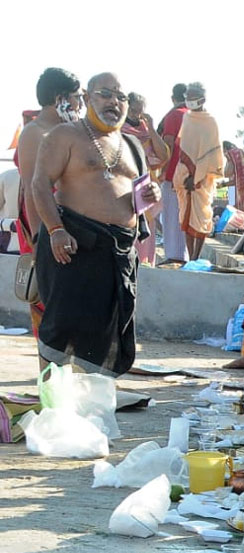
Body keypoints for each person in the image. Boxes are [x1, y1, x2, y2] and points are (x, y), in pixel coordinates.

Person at [30, 73, 160, 378]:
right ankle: (55, 402)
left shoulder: (132, 145)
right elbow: (39, 185)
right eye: (105, 94)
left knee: (107, 330)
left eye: (121, 97)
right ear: (88, 97)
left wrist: (149, 194)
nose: (114, 102)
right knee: (64, 328)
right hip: (75, 246)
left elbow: (136, 195)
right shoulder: (65, 135)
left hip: (118, 252)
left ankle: (93, 401)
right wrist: (55, 230)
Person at [15, 66, 82, 352]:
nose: (80, 103)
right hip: (44, 228)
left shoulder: (68, 131)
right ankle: (50, 377)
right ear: (60, 98)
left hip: (68, 227)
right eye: (77, 97)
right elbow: (33, 188)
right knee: (47, 304)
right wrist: (43, 236)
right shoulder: (35, 133)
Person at [172, 83, 223, 263]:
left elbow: (213, 154)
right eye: (188, 96)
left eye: (193, 97)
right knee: (185, 215)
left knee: (201, 216)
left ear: (202, 99)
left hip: (203, 178)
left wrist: (198, 175)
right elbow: (183, 146)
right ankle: (189, 255)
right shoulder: (187, 118)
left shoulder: (211, 122)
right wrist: (187, 174)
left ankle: (196, 257)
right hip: (185, 174)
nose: (190, 100)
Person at [121, 93, 169, 266]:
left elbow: (163, 155)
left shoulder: (146, 130)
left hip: (145, 188)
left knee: (146, 231)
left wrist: (151, 128)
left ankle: (145, 264)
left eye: (139, 111)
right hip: (124, 187)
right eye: (133, 110)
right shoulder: (119, 128)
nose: (135, 114)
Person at [157, 83, 188, 263]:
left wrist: (162, 169)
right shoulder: (196, 116)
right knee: (184, 216)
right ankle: (182, 255)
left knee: (170, 216)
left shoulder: (174, 115)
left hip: (173, 173)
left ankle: (173, 256)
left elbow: (168, 144)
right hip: (191, 176)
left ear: (172, 98)